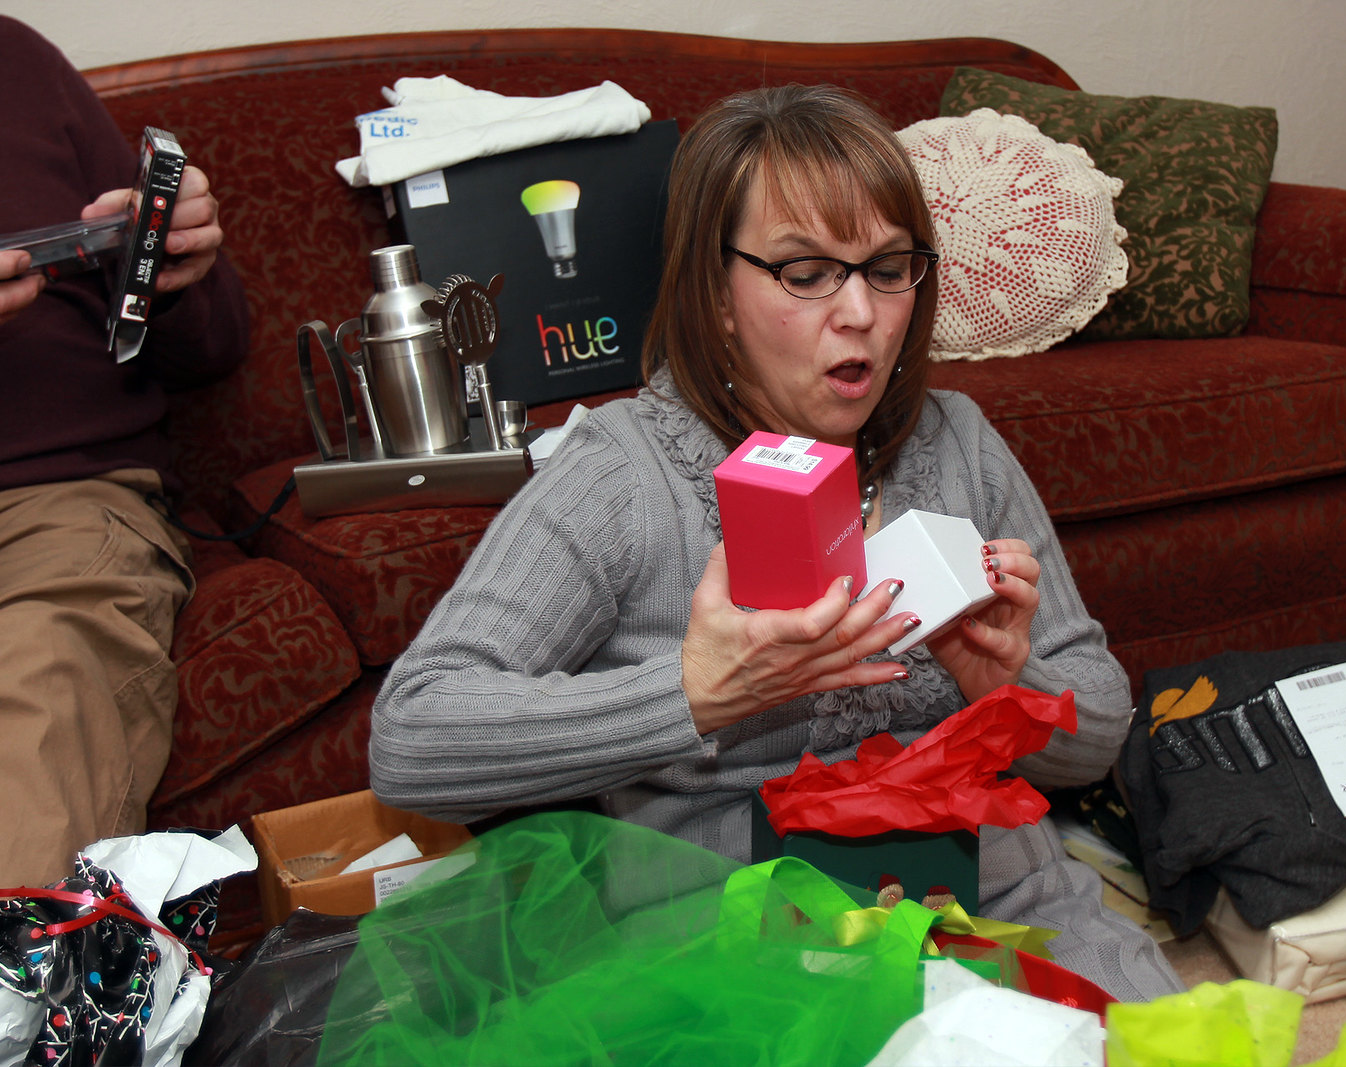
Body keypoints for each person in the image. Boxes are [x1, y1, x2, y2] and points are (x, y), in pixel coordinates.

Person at [370, 83, 1183, 1001]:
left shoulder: (958, 443)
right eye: (805, 273)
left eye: (888, 267)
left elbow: (1096, 738)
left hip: (997, 908)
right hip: (746, 951)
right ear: (716, 295)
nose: (861, 312)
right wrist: (696, 693)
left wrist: (1006, 684)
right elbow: (412, 739)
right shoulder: (626, 472)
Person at [0, 16, 249, 887]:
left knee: (42, 683)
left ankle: (29, 964)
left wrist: (173, 270)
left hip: (57, 505)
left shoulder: (18, 61)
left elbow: (215, 348)